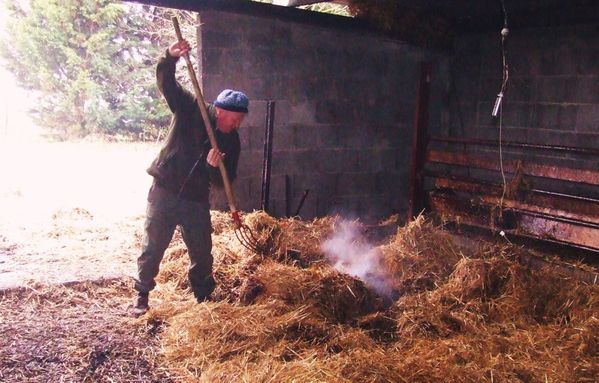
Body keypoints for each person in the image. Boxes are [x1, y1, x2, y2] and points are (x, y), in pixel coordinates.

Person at [132, 38, 249, 316]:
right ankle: (142, 294)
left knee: (202, 251)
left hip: (196, 198)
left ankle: (204, 297)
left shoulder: (232, 142)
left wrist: (213, 168)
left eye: (241, 119)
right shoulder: (190, 107)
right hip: (165, 188)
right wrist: (169, 58)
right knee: (153, 245)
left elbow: (225, 181)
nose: (238, 123)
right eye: (234, 118)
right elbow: (167, 85)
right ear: (220, 111)